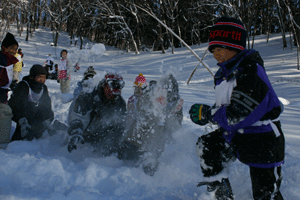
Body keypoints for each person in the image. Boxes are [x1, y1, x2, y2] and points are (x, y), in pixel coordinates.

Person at [189, 17, 285, 200]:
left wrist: (208, 114)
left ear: (235, 46)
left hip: (263, 137)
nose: (216, 55)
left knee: (265, 193)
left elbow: (237, 115)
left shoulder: (251, 72)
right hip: (238, 133)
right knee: (208, 146)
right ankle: (220, 192)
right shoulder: (224, 74)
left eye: (220, 49)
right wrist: (210, 113)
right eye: (213, 50)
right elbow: (227, 107)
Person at [118, 74, 183, 176]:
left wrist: (170, 113)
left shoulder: (174, 106)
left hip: (156, 145)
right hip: (135, 141)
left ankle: (149, 162)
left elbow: (175, 128)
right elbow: (139, 112)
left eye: (169, 92)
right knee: (124, 154)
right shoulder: (148, 99)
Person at [67, 71, 126, 156]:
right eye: (113, 84)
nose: (115, 91)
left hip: (103, 139)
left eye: (119, 85)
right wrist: (76, 131)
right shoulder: (88, 96)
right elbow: (77, 116)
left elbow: (120, 125)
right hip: (84, 137)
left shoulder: (120, 103)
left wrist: (115, 142)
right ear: (104, 84)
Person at [9, 64, 55, 141]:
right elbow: (15, 105)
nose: (42, 80)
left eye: (44, 78)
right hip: (21, 114)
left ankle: (40, 130)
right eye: (39, 77)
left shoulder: (43, 88)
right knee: (30, 110)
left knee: (48, 113)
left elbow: (47, 104)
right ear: (32, 77)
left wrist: (47, 118)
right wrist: (20, 118)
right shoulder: (23, 85)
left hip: (34, 113)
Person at [0, 32, 19, 148]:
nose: (14, 51)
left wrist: (12, 84)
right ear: (4, 48)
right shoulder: (2, 60)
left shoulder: (9, 61)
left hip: (3, 93)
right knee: (4, 114)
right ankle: (2, 142)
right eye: (11, 48)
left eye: (16, 49)